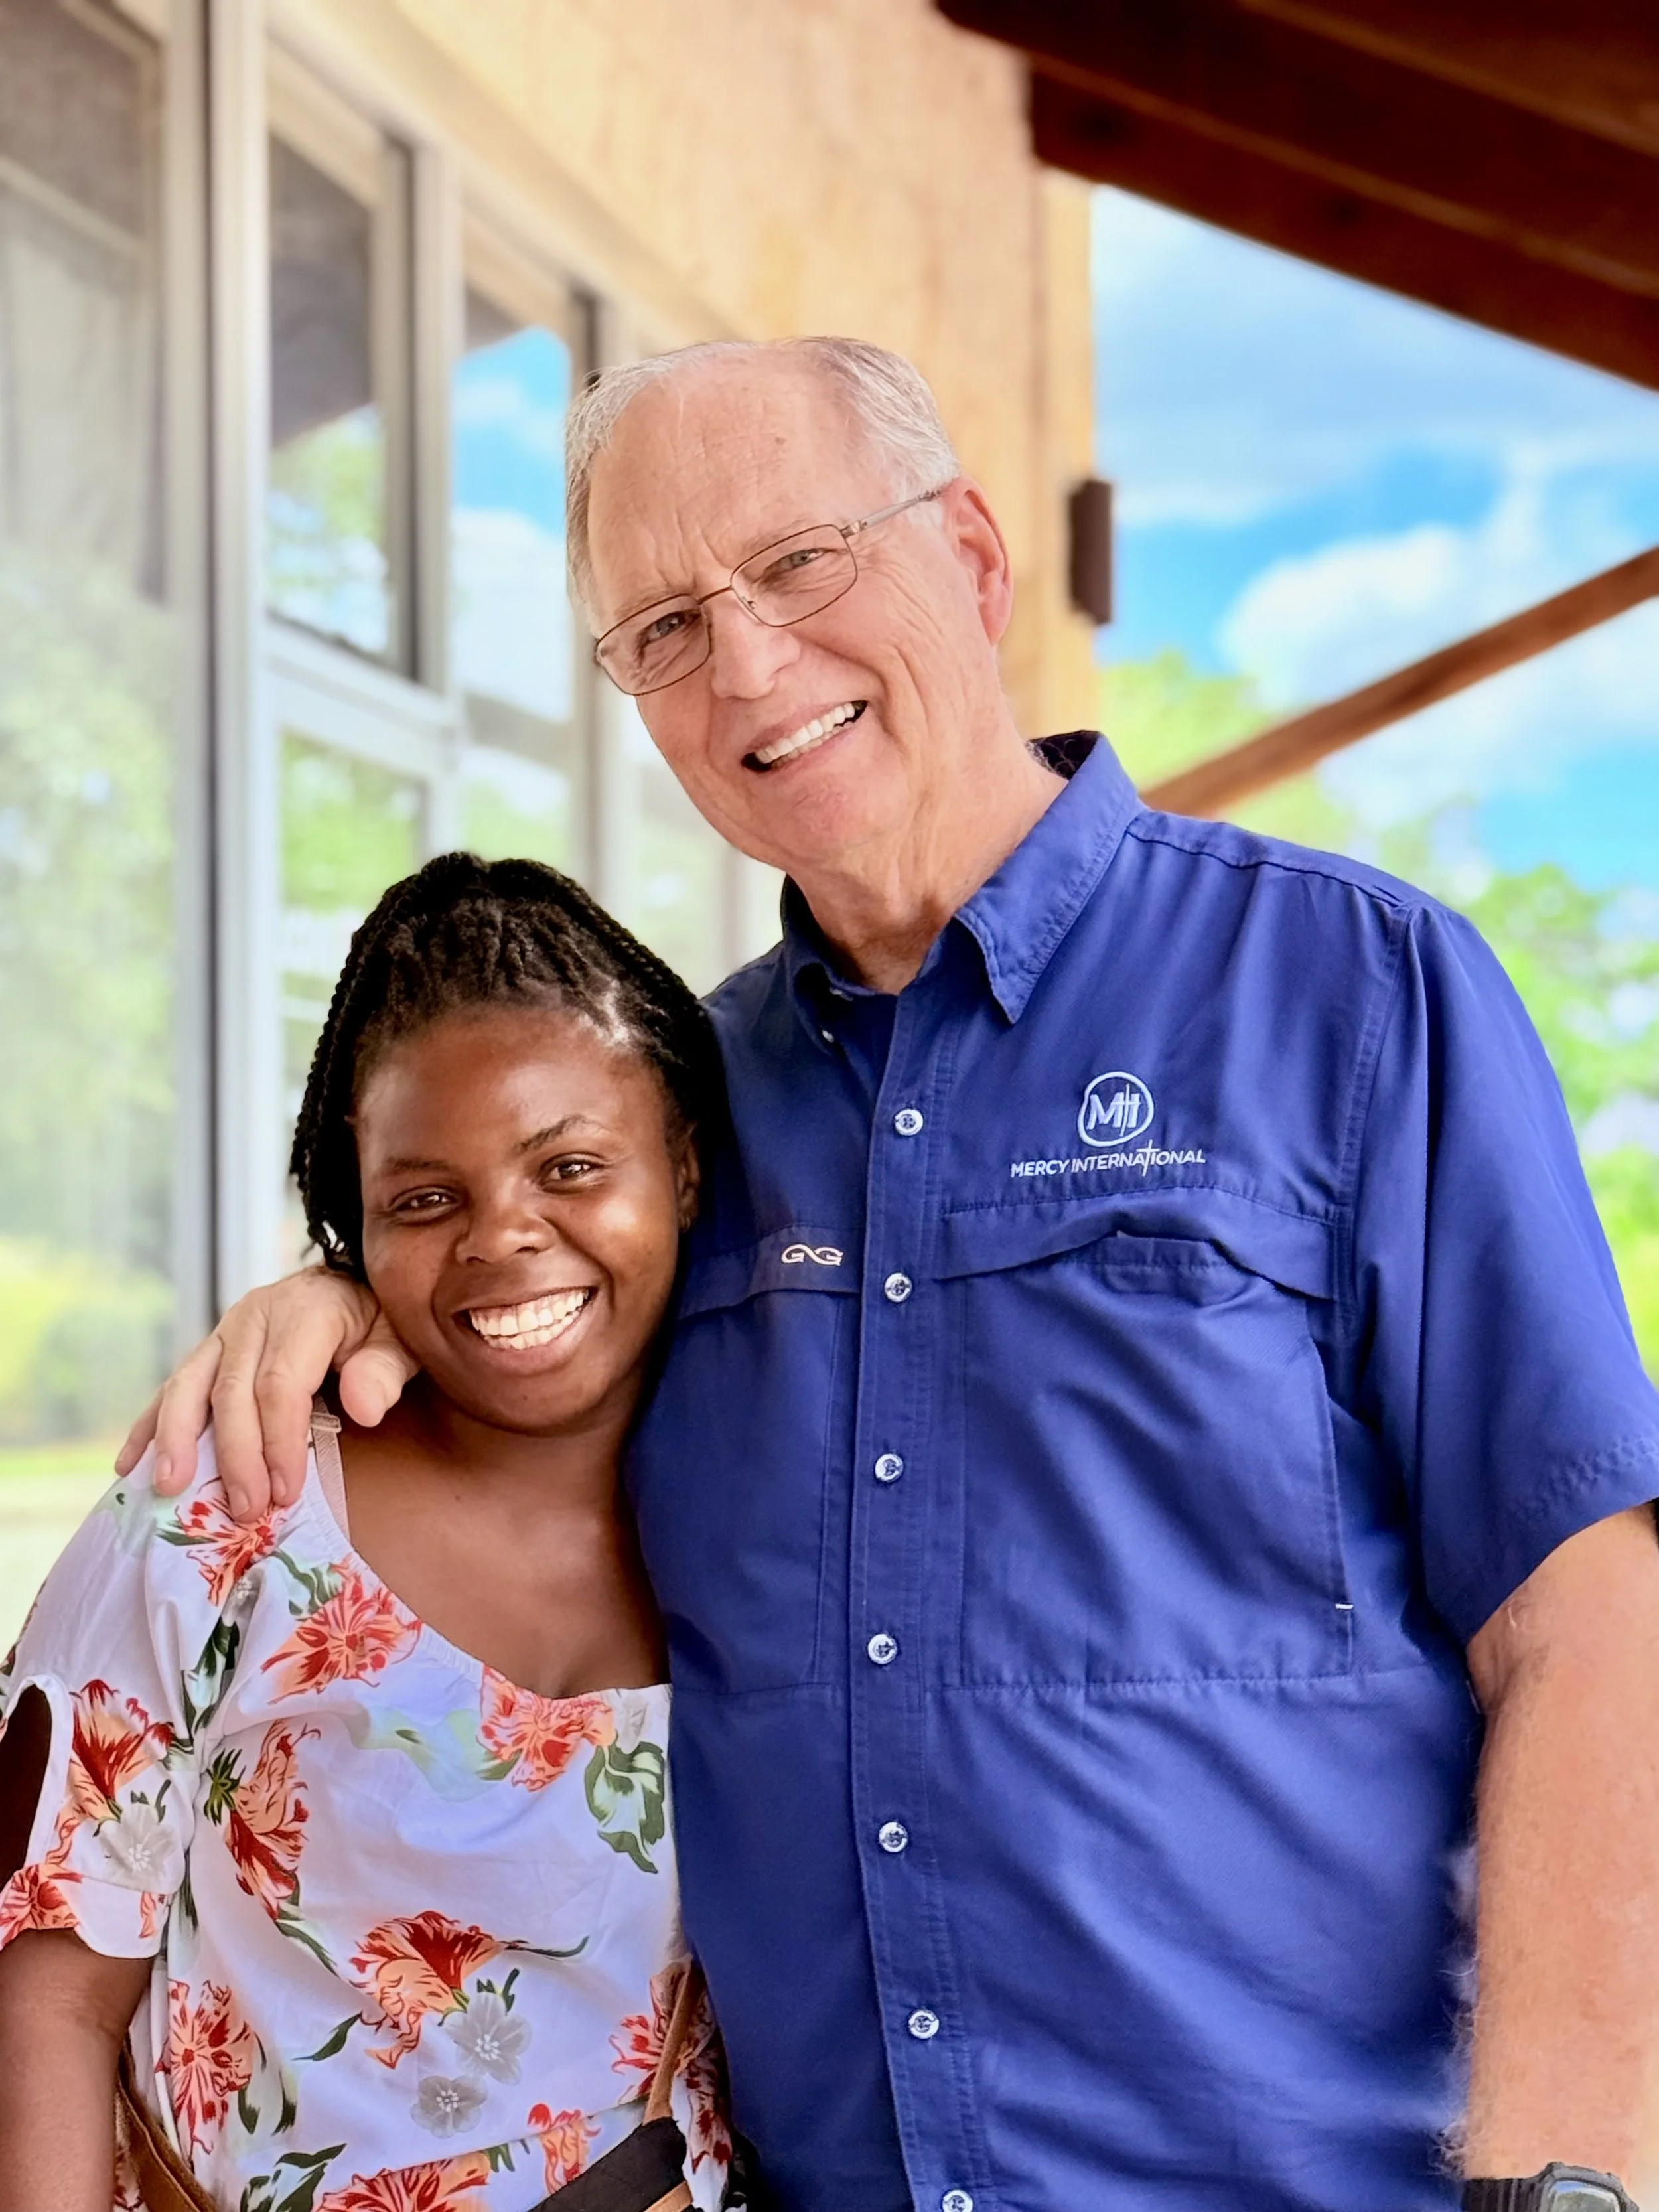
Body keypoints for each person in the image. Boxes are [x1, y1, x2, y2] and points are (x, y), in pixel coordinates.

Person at [118, 338, 1659, 2212]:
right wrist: (345, 1293)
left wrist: (1560, 2183)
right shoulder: (676, 1119)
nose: (746, 661)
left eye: (799, 561)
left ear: (975, 559)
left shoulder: (1352, 992)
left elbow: (1585, 1619)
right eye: (663, 629)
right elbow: (513, 1336)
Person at [0, 856, 741, 2212]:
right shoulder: (229, 1509)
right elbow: (43, 1991)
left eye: (570, 1167)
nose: (502, 1237)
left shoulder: (779, 1509)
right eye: (423, 1198)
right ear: (354, 1223)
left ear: (683, 1168)